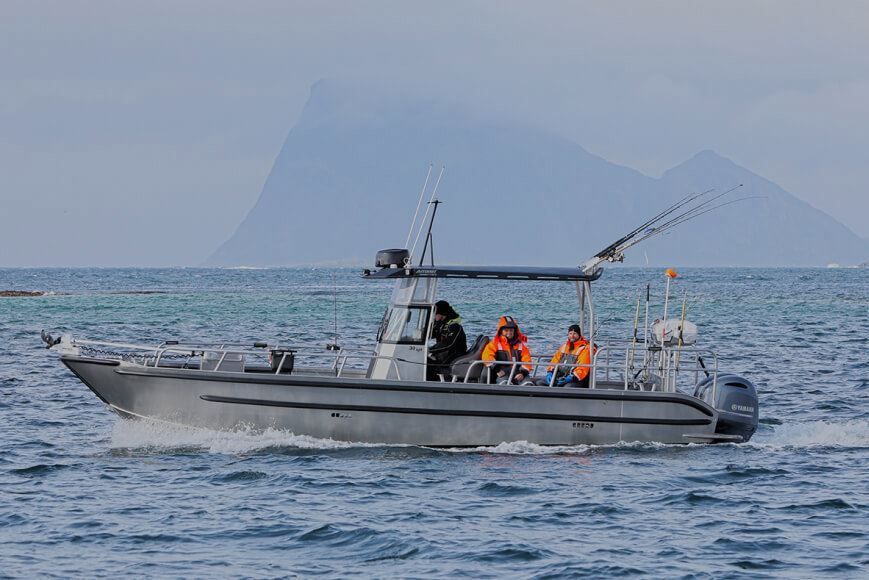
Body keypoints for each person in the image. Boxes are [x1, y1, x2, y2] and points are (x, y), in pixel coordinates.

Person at [481, 316, 533, 385]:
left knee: (528, 384)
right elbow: (486, 356)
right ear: (501, 331)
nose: (509, 332)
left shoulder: (521, 345)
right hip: (502, 373)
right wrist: (497, 369)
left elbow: (527, 360)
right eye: (506, 330)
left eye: (511, 330)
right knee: (504, 384)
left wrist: (523, 373)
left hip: (518, 373)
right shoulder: (494, 344)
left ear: (515, 331)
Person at [426, 300, 467, 381]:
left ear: (442, 314)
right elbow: (430, 333)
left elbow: (449, 344)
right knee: (425, 359)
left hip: (453, 356)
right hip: (444, 355)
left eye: (435, 313)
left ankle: (432, 383)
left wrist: (430, 349)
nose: (433, 316)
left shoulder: (454, 326)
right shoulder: (441, 323)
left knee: (427, 363)